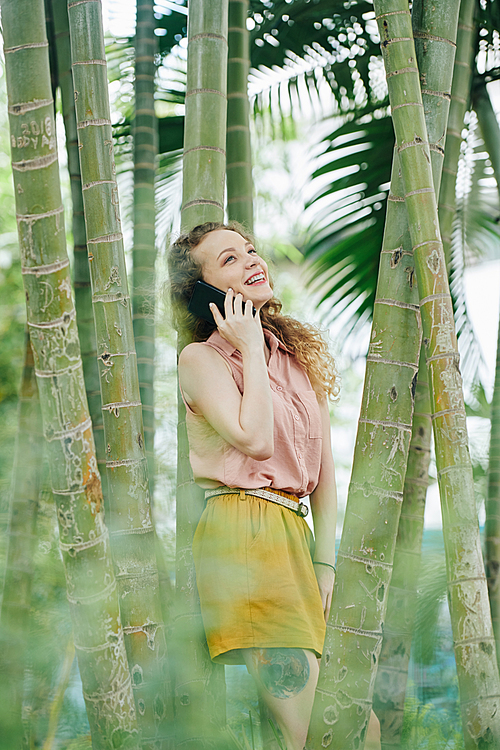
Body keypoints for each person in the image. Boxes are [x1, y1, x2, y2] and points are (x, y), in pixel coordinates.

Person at [168, 221, 338, 750]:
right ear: (205, 291)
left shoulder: (294, 358)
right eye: (229, 260)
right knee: (310, 731)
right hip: (245, 534)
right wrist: (250, 348)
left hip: (296, 538)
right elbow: (256, 440)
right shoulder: (201, 360)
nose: (250, 260)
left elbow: (324, 475)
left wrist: (326, 565)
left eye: (249, 250)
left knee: (336, 726)